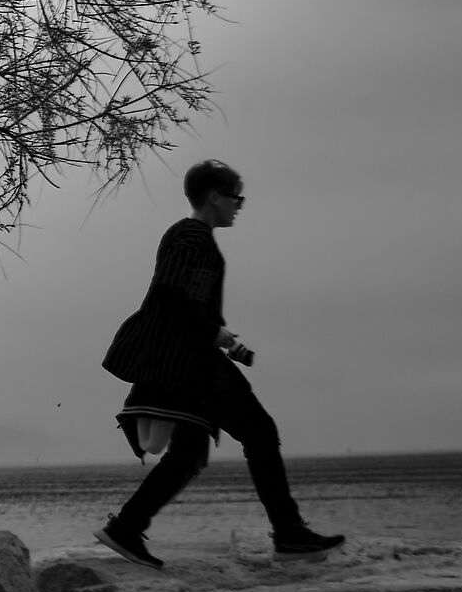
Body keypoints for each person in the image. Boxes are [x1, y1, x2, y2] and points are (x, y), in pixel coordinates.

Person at [98, 161, 345, 570]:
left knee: (188, 454)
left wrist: (221, 335)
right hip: (188, 364)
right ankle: (289, 534)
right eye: (236, 197)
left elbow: (180, 299)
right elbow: (170, 295)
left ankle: (126, 528)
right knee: (260, 432)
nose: (239, 206)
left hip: (184, 360)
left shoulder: (193, 238)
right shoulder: (191, 235)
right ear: (215, 196)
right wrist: (214, 334)